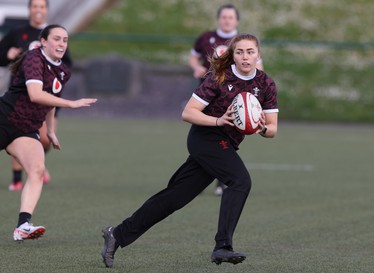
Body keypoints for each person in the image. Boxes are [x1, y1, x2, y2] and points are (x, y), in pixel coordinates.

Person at [101, 33, 278, 268]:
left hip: (226, 143)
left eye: (250, 52)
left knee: (175, 197)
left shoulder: (265, 83)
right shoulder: (219, 77)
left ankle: (117, 235)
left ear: (259, 55)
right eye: (240, 52)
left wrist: (258, 127)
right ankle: (222, 247)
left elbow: (272, 128)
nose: (245, 57)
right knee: (240, 180)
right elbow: (188, 112)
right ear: (233, 55)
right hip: (205, 138)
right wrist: (218, 121)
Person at [0, 24, 97, 240]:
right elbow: (36, 94)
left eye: (65, 40)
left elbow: (49, 102)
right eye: (56, 39)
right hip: (4, 118)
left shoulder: (63, 71)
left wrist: (51, 130)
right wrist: (71, 103)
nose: (62, 43)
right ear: (43, 41)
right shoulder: (34, 58)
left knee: (37, 169)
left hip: (27, 128)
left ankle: (23, 226)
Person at [188, 3, 263, 196]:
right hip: (207, 94)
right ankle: (196, 175)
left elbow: (259, 69)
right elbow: (193, 57)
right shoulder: (206, 38)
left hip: (234, 96)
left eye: (230, 17)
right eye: (224, 17)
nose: (227, 20)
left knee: (228, 134)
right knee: (205, 134)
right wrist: (196, 68)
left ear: (236, 20)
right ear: (219, 19)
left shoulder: (243, 42)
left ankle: (222, 180)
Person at [0, 0, 73, 191]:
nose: (38, 10)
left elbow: (65, 65)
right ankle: (17, 179)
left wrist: (56, 93)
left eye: (42, 6)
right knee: (17, 133)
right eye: (35, 6)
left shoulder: (54, 36)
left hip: (47, 100)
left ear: (46, 10)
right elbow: (2, 55)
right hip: (20, 98)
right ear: (29, 9)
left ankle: (36, 166)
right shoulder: (17, 33)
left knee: (45, 139)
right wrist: (8, 54)